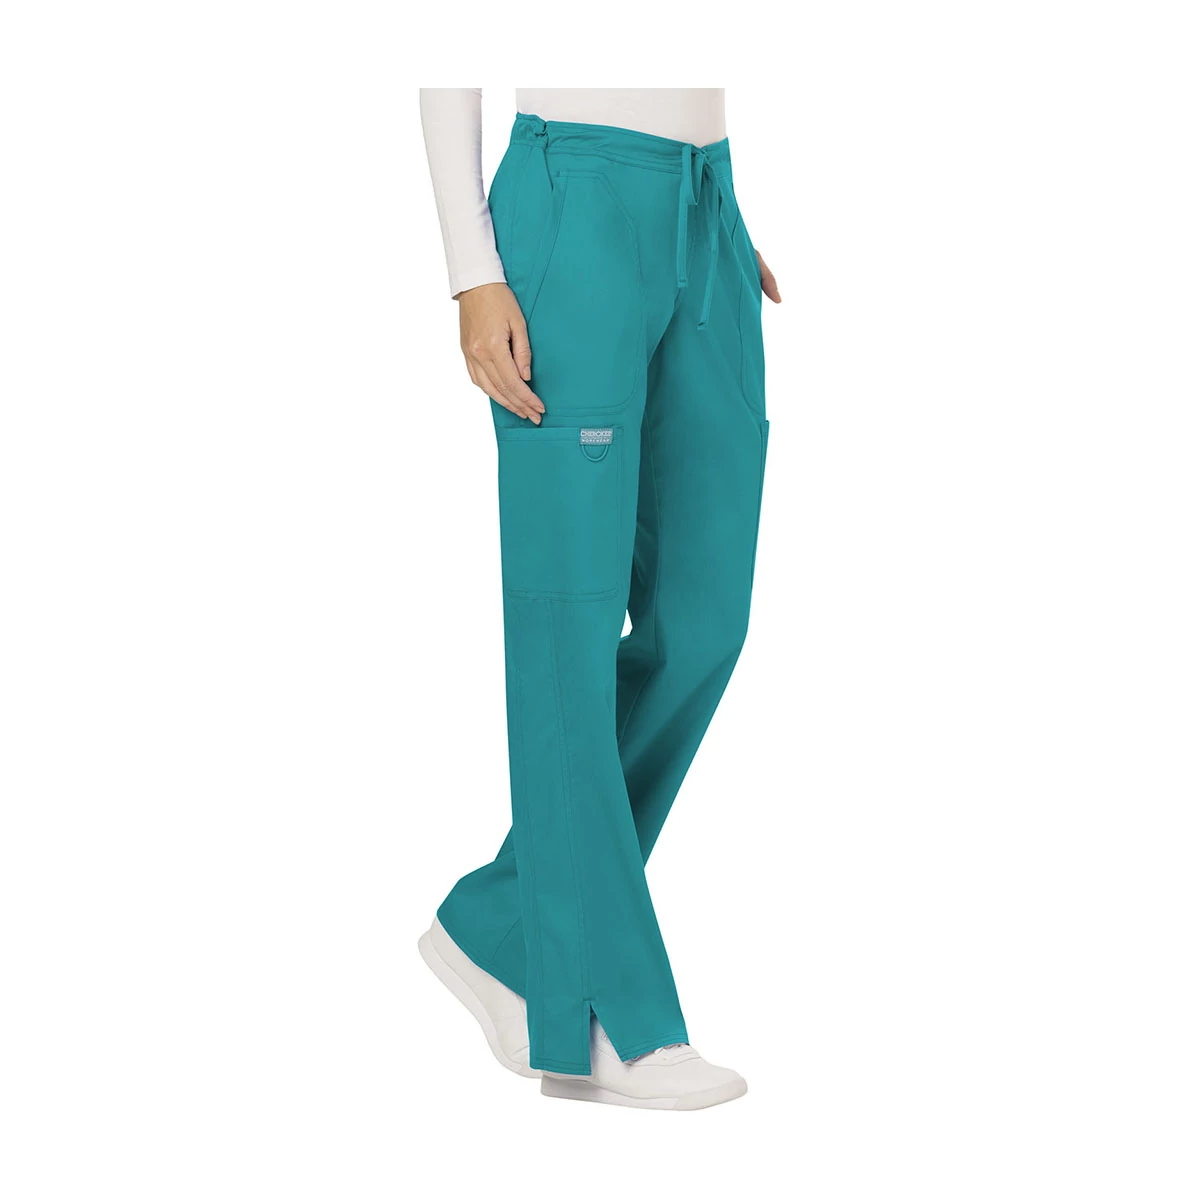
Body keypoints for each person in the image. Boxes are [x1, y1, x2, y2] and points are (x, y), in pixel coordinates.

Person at [417, 88, 779, 1110]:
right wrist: (472, 269)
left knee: (704, 620)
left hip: (705, 206)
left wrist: (705, 227)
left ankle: (502, 929)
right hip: (574, 198)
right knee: (566, 623)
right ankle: (604, 1011)